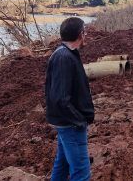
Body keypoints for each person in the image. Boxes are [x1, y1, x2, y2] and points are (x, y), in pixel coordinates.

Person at [45, 17, 94, 181]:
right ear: (81, 34)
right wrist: (79, 121)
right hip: (71, 125)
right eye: (85, 32)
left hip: (66, 123)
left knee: (63, 165)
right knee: (81, 172)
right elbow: (60, 98)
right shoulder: (64, 58)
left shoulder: (66, 54)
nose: (86, 35)